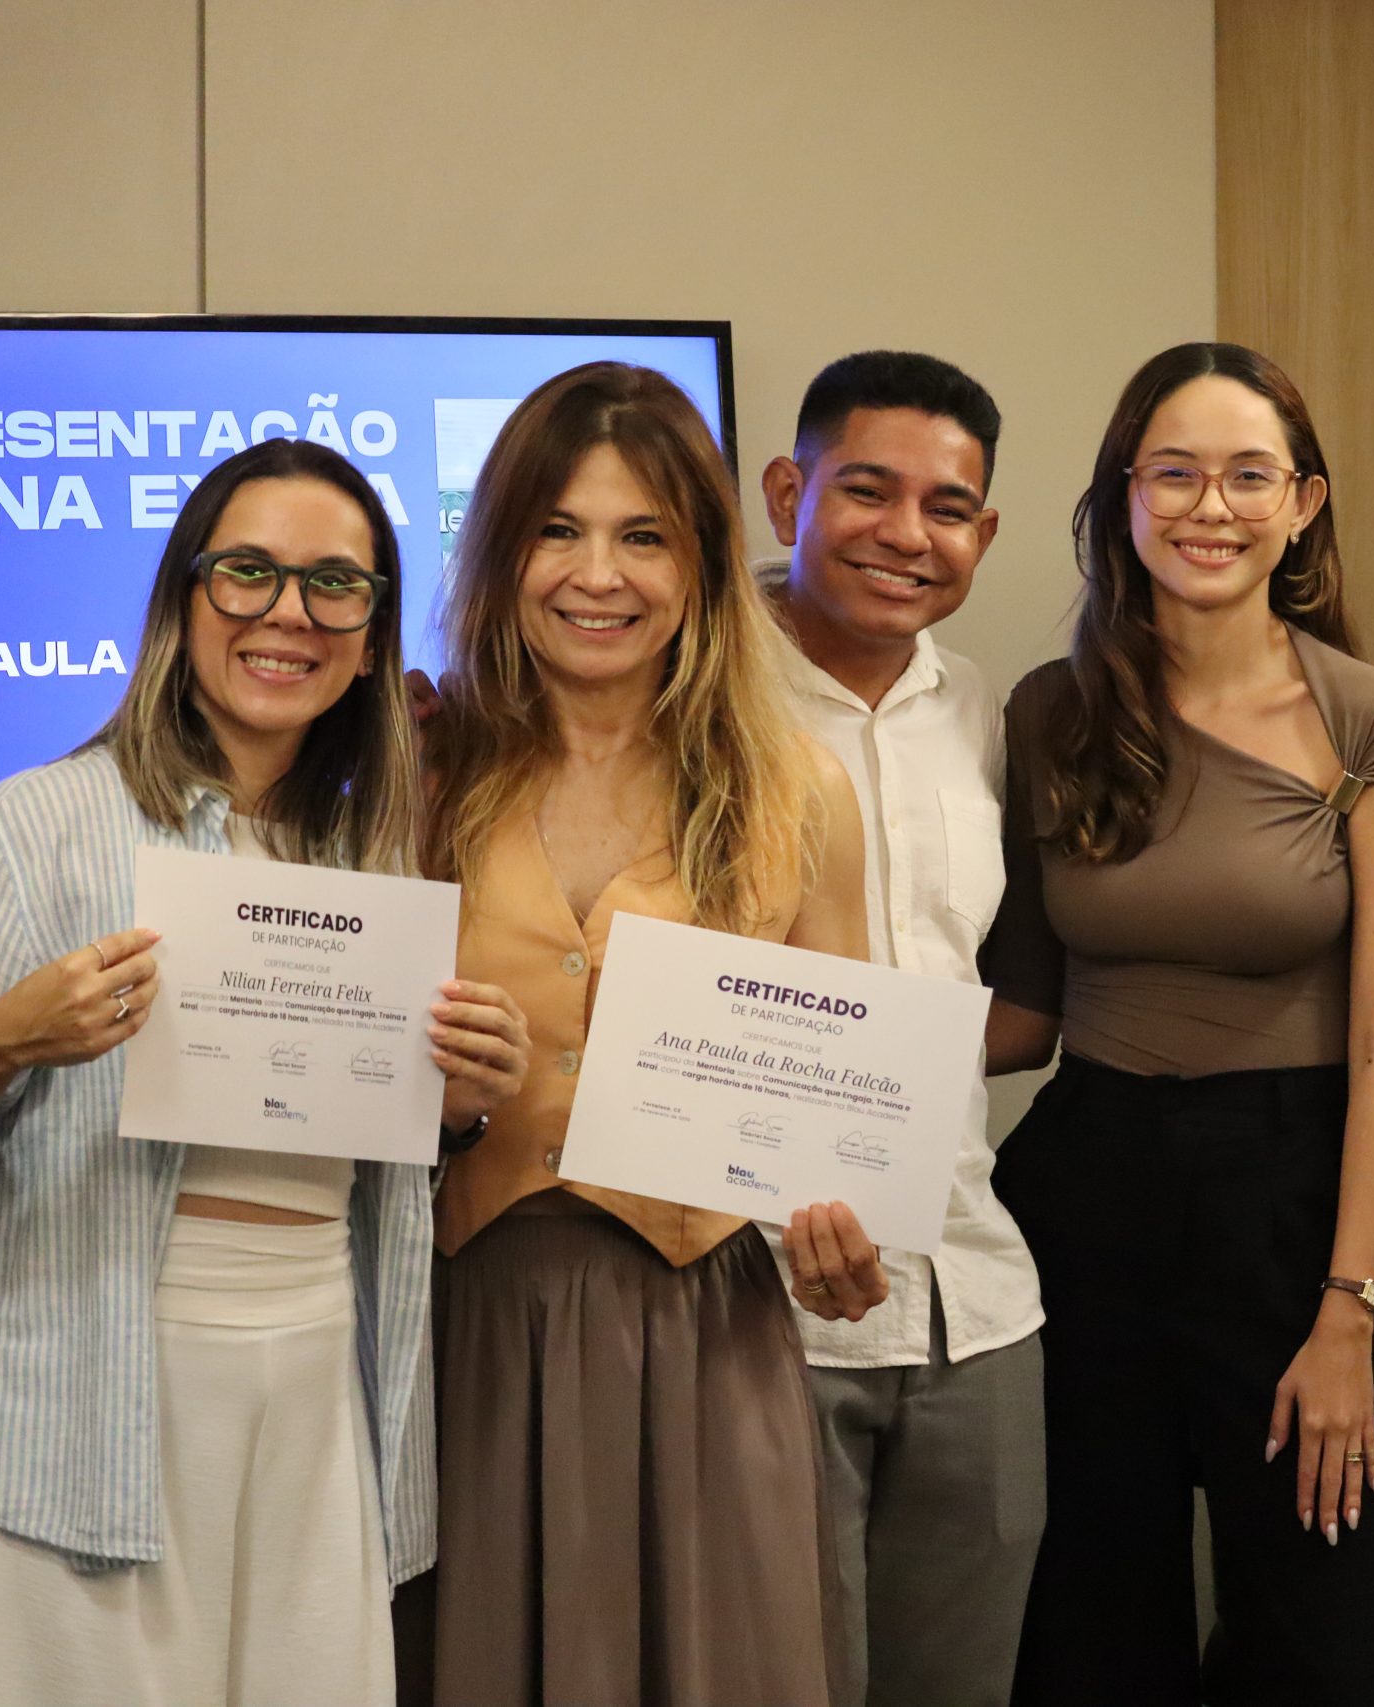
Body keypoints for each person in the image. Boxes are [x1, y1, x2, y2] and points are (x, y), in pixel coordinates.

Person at [0, 438, 530, 1707]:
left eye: (334, 584)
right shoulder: (28, 829)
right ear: (184, 596)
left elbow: (363, 1154)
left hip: (322, 1390)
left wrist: (458, 1108)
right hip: (78, 1416)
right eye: (248, 571)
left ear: (372, 632)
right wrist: (5, 1040)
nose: (288, 613)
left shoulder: (375, 864)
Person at [413, 362, 880, 1707]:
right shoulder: (419, 769)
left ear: (702, 564)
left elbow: (833, 1120)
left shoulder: (797, 793)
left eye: (644, 536)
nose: (597, 575)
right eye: (558, 530)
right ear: (502, 552)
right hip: (471, 1327)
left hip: (705, 1336)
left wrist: (838, 1242)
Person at [984, 341, 1374, 1705]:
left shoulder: (1370, 719)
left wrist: (1349, 1311)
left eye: (1250, 475)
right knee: (1094, 1624)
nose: (1210, 507)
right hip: (1088, 1193)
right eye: (1173, 472)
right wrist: (806, 1068)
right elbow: (1021, 1011)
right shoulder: (1052, 711)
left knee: (1320, 1633)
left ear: (1303, 503)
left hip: (1299, 1208)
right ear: (1124, 494)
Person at [758, 350, 1045, 1707]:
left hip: (970, 1296)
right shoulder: (685, 693)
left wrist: (891, 1079)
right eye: (866, 491)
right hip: (755, 1303)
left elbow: (993, 988)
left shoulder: (978, 709)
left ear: (983, 533)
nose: (906, 534)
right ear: (788, 496)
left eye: (948, 508)